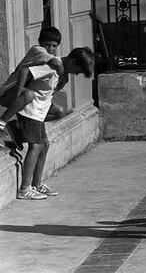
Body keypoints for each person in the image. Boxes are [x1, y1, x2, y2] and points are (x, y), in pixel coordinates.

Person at [16, 47, 94, 200]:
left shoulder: (63, 74)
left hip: (39, 112)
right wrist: (19, 94)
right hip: (30, 110)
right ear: (72, 61)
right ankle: (24, 188)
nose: (77, 73)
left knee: (44, 144)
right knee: (36, 146)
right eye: (78, 69)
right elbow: (25, 72)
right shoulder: (52, 66)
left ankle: (36, 184)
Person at [0, 26, 64, 149]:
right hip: (10, 90)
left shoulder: (47, 59)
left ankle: (18, 128)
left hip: (22, 96)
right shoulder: (38, 51)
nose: (51, 49)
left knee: (58, 111)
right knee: (29, 95)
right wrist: (61, 71)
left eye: (54, 46)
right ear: (40, 43)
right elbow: (57, 64)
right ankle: (1, 123)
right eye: (47, 45)